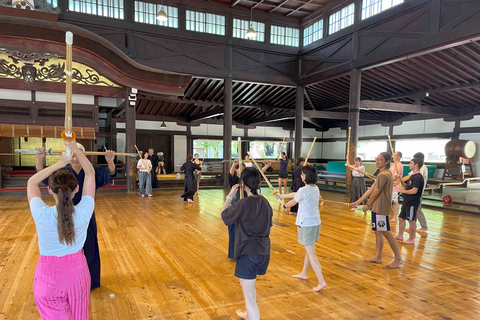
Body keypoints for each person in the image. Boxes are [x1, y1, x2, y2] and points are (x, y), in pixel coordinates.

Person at [29, 139, 95, 319]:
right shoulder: (83, 213)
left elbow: (32, 183)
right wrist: (75, 149)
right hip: (77, 274)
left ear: (49, 190)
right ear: (77, 189)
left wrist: (61, 163)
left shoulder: (41, 214)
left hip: (47, 277)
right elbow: (90, 173)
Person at [36, 144, 116, 291]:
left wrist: (110, 161)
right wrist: (40, 160)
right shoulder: (64, 172)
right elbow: (44, 177)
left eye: (78, 154)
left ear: (83, 155)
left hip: (85, 215)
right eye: (71, 155)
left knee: (90, 247)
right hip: (63, 214)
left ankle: (90, 282)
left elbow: (109, 173)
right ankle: (68, 281)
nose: (74, 158)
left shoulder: (91, 170)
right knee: (66, 250)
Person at [221, 168, 273, 320]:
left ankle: (253, 316)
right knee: (250, 290)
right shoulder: (265, 202)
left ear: (242, 183)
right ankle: (249, 314)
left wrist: (229, 196)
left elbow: (223, 216)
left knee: (249, 295)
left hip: (248, 253)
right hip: (264, 252)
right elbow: (269, 227)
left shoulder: (243, 203)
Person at [276, 165, 327, 292]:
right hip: (315, 223)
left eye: (303, 174)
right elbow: (297, 194)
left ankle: (321, 281)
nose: (301, 175)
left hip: (307, 224)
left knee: (311, 253)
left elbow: (294, 200)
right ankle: (304, 273)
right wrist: (282, 196)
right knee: (308, 250)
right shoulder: (315, 188)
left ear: (307, 176)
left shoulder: (303, 191)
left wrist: (284, 206)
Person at [350, 152, 403, 269]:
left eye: (380, 159)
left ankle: (398, 258)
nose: (377, 161)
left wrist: (367, 205)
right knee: (377, 232)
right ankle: (378, 257)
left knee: (386, 232)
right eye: (377, 159)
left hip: (381, 208)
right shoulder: (381, 174)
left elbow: (375, 193)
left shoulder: (384, 175)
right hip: (377, 207)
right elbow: (370, 191)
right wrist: (357, 202)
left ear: (387, 161)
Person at [395, 158, 425, 244]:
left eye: (411, 163)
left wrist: (403, 191)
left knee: (411, 220)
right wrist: (401, 183)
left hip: (413, 202)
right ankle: (400, 235)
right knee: (401, 218)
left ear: (416, 165)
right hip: (407, 200)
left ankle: (411, 239)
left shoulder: (418, 177)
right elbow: (408, 187)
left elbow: (414, 191)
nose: (409, 164)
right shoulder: (412, 176)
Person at [403, 152, 429, 233]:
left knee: (417, 209)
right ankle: (413, 225)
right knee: (415, 210)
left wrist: (400, 180)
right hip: (417, 192)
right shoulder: (422, 168)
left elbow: (409, 176)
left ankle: (424, 226)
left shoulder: (422, 169)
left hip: (417, 193)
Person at [227, 161, 247, 259]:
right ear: (236, 170)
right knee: (234, 232)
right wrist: (234, 164)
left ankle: (244, 252)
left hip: (246, 209)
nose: (241, 170)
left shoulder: (247, 181)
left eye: (243, 168)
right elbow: (230, 175)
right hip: (235, 208)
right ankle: (234, 254)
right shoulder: (234, 180)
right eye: (240, 168)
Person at [389, 152, 404, 222]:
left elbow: (395, 176)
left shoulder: (399, 165)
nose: (393, 157)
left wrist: (389, 181)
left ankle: (395, 217)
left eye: (395, 155)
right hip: (390, 185)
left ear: (399, 156)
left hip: (395, 186)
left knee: (395, 202)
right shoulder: (392, 165)